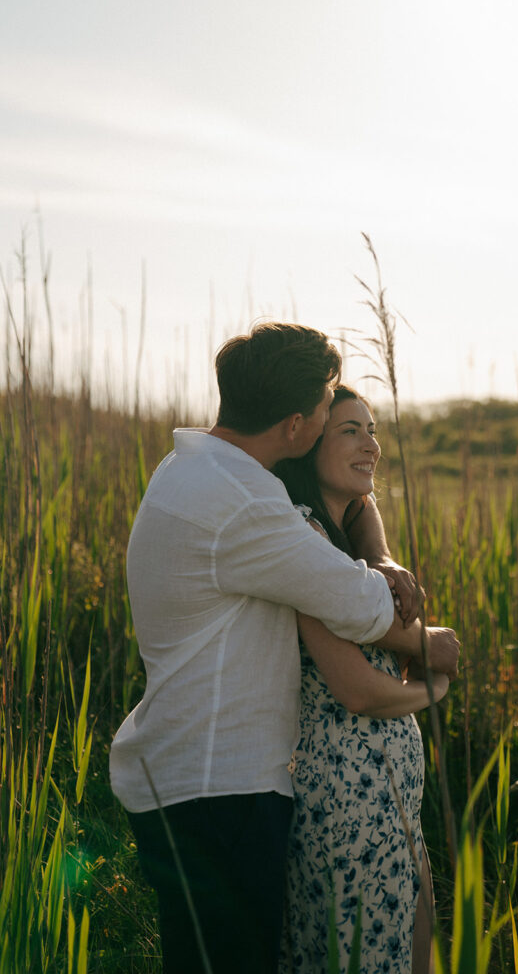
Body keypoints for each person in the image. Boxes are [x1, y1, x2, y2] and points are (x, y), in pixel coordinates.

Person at [109, 322, 461, 974]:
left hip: (189, 774)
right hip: (218, 793)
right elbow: (355, 605)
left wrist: (378, 554)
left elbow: (351, 515)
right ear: (297, 425)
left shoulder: (196, 467)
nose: (342, 416)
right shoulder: (245, 504)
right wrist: (429, 651)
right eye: (332, 405)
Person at [275, 386, 448, 974]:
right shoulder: (303, 539)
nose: (371, 445)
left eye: (372, 430)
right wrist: (435, 688)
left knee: (409, 950)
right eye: (350, 430)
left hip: (388, 794)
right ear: (308, 441)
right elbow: (354, 689)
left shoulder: (354, 543)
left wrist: (386, 560)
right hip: (345, 801)